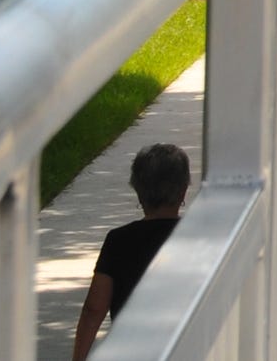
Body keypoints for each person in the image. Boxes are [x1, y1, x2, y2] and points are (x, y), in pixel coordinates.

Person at [71, 143, 189, 360]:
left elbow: (94, 309)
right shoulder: (195, 237)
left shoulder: (119, 241)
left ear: (138, 192)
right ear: (183, 191)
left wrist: (78, 358)